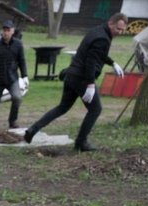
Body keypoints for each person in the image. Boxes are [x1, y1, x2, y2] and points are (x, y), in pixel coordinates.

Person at [24, 13, 128, 151]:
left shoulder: (96, 31)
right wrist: (90, 84)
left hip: (71, 74)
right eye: (118, 29)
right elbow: (91, 61)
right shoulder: (103, 38)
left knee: (62, 107)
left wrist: (112, 63)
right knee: (95, 109)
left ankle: (32, 130)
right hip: (82, 78)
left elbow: (97, 54)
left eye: (122, 30)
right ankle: (81, 142)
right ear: (111, 23)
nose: (120, 32)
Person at [0, 20, 28, 130]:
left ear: (12, 31)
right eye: (4, 30)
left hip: (12, 79)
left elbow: (22, 61)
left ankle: (13, 120)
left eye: (8, 30)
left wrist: (25, 76)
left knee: (17, 98)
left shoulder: (18, 45)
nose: (5, 32)